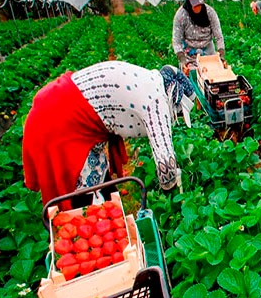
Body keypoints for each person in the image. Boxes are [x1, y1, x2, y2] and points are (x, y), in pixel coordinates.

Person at [23, 61, 196, 209]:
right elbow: (166, 165)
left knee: (100, 179)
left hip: (58, 103)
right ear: (174, 99)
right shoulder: (156, 101)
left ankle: (108, 223)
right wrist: (177, 197)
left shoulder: (150, 80)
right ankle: (89, 233)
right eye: (179, 113)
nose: (176, 118)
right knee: (85, 190)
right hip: (59, 120)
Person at [172, 0, 225, 71]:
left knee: (212, 78)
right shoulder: (181, 16)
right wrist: (182, 60)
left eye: (200, 5)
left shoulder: (210, 13)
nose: (198, 8)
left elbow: (219, 37)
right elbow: (176, 41)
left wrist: (221, 54)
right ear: (189, 2)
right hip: (190, 57)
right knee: (192, 79)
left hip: (208, 54)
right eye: (195, 5)